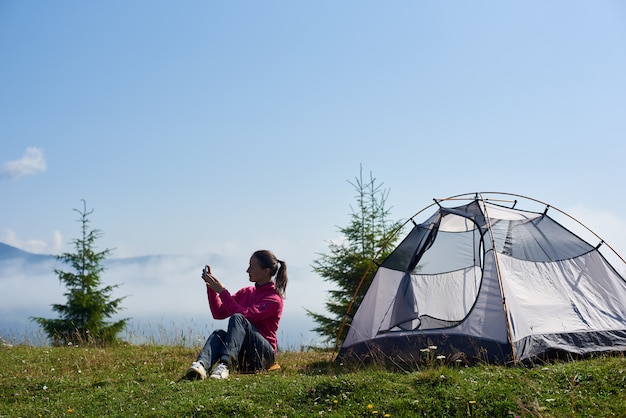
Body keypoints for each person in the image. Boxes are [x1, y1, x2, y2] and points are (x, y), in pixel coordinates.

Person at [185, 249, 288, 380]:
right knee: (219, 334)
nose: (247, 270)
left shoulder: (274, 299)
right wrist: (212, 289)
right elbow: (219, 313)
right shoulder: (246, 292)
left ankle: (225, 365)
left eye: (252, 267)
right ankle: (201, 366)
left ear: (266, 271)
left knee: (239, 317)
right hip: (243, 354)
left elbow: (244, 316)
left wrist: (222, 292)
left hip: (263, 356)